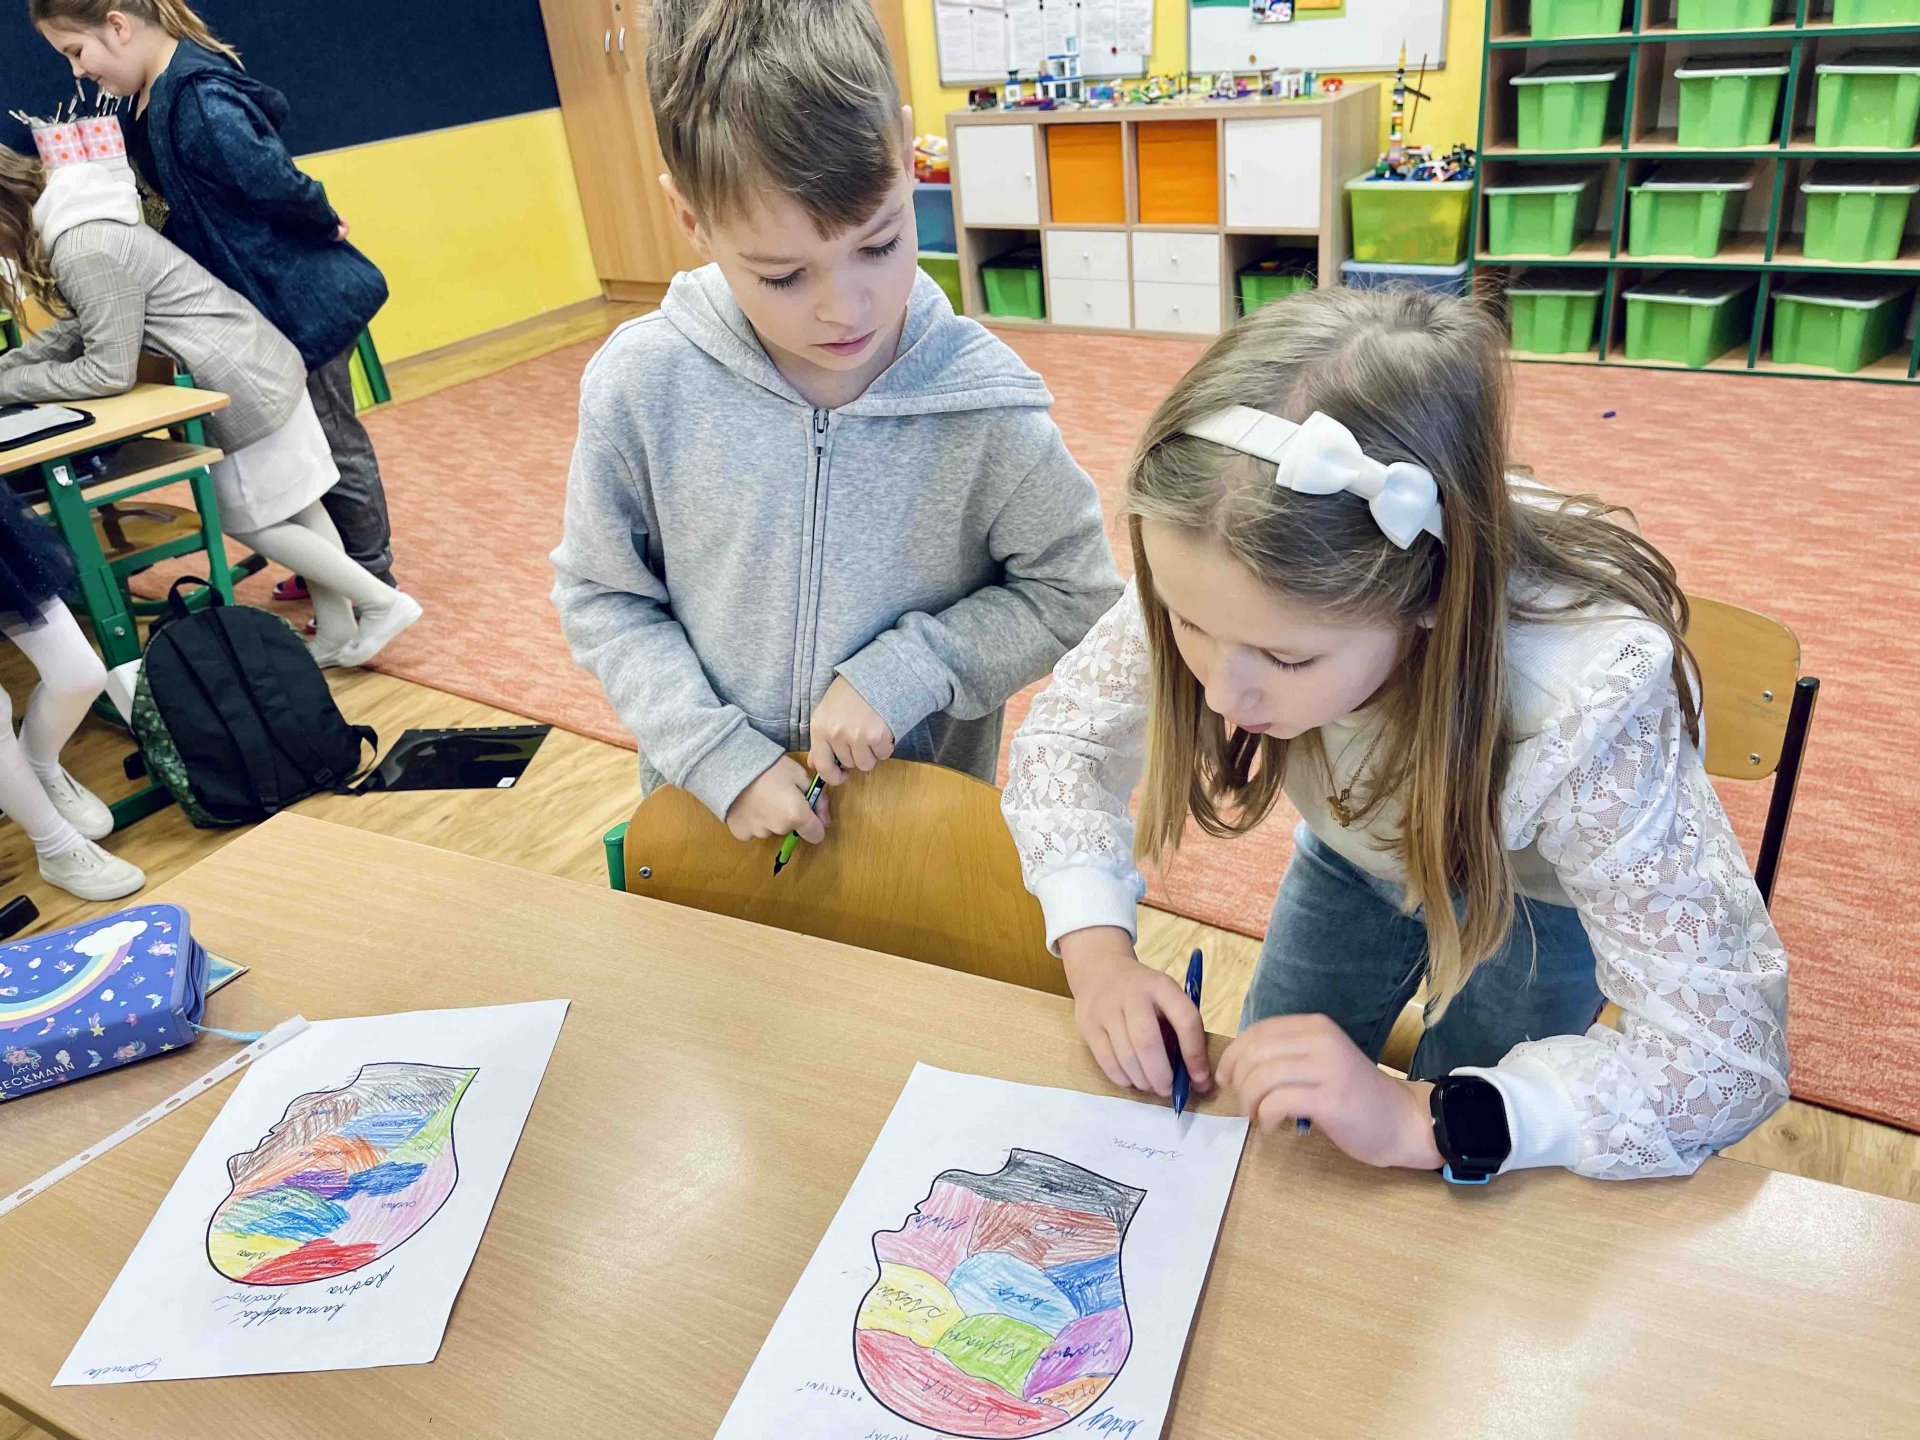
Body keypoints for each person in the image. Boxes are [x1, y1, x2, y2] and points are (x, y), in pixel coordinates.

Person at [1002, 286, 1789, 1182]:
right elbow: (1064, 747)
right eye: (1188, 626)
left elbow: (1722, 1057)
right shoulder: (1218, 565)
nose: (1221, 694)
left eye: (1288, 659)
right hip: (1350, 855)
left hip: (1533, 903)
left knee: (1469, 1141)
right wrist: (1098, 954)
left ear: (1428, 599)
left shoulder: (1586, 693)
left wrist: (1424, 1119)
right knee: (1274, 1109)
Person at [551, 0, 1121, 847]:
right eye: (783, 276)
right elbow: (603, 594)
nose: (846, 309)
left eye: (879, 244)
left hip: (911, 835)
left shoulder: (985, 404)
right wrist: (713, 755)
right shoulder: (643, 383)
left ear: (906, 150)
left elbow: (1076, 592)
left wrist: (914, 667)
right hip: (708, 818)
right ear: (691, 219)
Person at [0, 148, 420, 666]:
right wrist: (9, 367)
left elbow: (106, 373)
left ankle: (381, 603)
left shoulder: (79, 248)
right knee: (301, 506)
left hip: (237, 384)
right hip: (261, 362)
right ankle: (338, 630)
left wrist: (10, 384)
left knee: (249, 521)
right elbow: (81, 325)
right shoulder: (80, 215)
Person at [32, 0, 398, 593]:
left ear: (118, 26)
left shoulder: (197, 98)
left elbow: (272, 178)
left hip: (299, 300)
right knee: (306, 445)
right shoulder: (146, 100)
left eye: (77, 51)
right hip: (261, 300)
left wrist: (323, 218)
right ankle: (332, 570)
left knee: (332, 440)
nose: (77, 70)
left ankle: (371, 576)